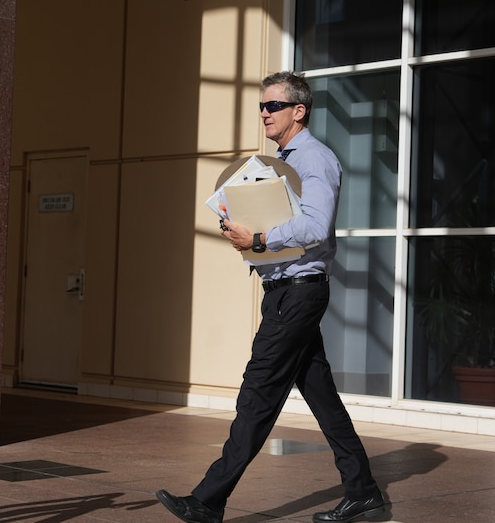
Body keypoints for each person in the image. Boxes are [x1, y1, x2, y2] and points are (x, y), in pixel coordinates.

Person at [156, 71, 385, 523]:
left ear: (299, 111)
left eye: (273, 105)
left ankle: (207, 501)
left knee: (257, 392)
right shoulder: (279, 163)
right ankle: (363, 492)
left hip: (298, 295)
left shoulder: (314, 159)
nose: (264, 113)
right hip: (284, 294)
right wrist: (242, 232)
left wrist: (259, 239)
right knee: (322, 398)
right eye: (261, 105)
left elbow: (315, 227)